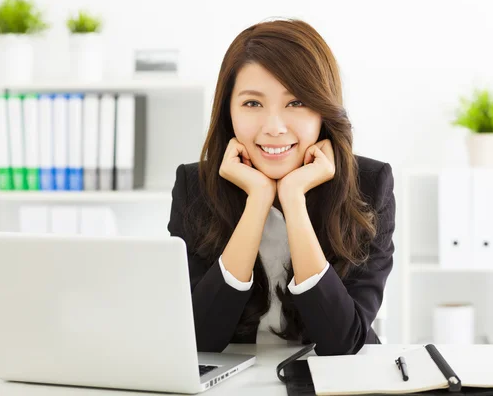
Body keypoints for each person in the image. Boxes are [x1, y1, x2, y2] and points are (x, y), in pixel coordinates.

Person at [167, 18, 395, 356]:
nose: (274, 127)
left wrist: (293, 199)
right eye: (252, 104)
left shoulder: (369, 185)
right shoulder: (194, 187)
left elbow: (342, 343)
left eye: (297, 102)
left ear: (324, 110)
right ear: (228, 111)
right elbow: (200, 340)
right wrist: (257, 202)